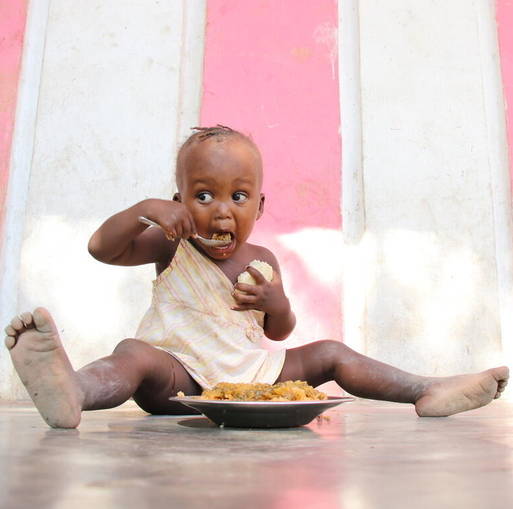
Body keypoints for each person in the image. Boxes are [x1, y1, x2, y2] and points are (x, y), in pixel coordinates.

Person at [4, 125, 509, 428]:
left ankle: (425, 388)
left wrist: (275, 303)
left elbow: (279, 333)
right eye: (203, 196)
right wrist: (143, 211)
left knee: (330, 350)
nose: (221, 212)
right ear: (178, 201)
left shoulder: (262, 259)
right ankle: (72, 391)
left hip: (251, 375)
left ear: (260, 205)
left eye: (237, 197)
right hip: (179, 376)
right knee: (132, 353)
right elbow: (101, 250)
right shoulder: (170, 240)